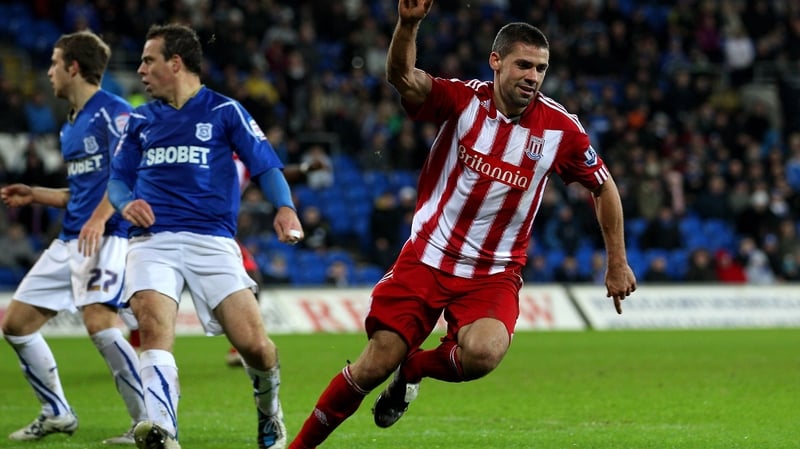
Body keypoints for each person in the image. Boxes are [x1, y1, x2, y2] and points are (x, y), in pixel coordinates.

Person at [288, 1, 637, 447]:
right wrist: (408, 24)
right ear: (496, 62)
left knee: (485, 353)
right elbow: (402, 78)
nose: (533, 76)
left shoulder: (561, 130)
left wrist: (616, 262)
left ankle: (415, 369)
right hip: (428, 258)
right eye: (523, 65)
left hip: (493, 273)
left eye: (541, 69)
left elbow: (603, 187)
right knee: (374, 365)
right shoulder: (463, 100)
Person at [107, 24, 303, 449]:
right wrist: (125, 203)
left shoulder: (225, 111)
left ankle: (269, 411)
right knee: (153, 326)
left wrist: (284, 206)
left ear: (175, 63)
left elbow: (265, 165)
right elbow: (118, 180)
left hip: (212, 240)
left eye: (148, 60)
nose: (140, 69)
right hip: (152, 240)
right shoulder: (140, 119)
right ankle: (163, 430)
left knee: (255, 347)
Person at [0, 31, 146, 444]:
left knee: (100, 322)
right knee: (16, 324)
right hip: (72, 239)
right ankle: (57, 412)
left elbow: (128, 177)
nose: (49, 72)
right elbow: (78, 193)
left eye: (54, 63)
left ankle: (148, 421)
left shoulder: (115, 112)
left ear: (74, 67)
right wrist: (35, 194)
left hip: (108, 235)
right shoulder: (72, 125)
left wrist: (98, 220)